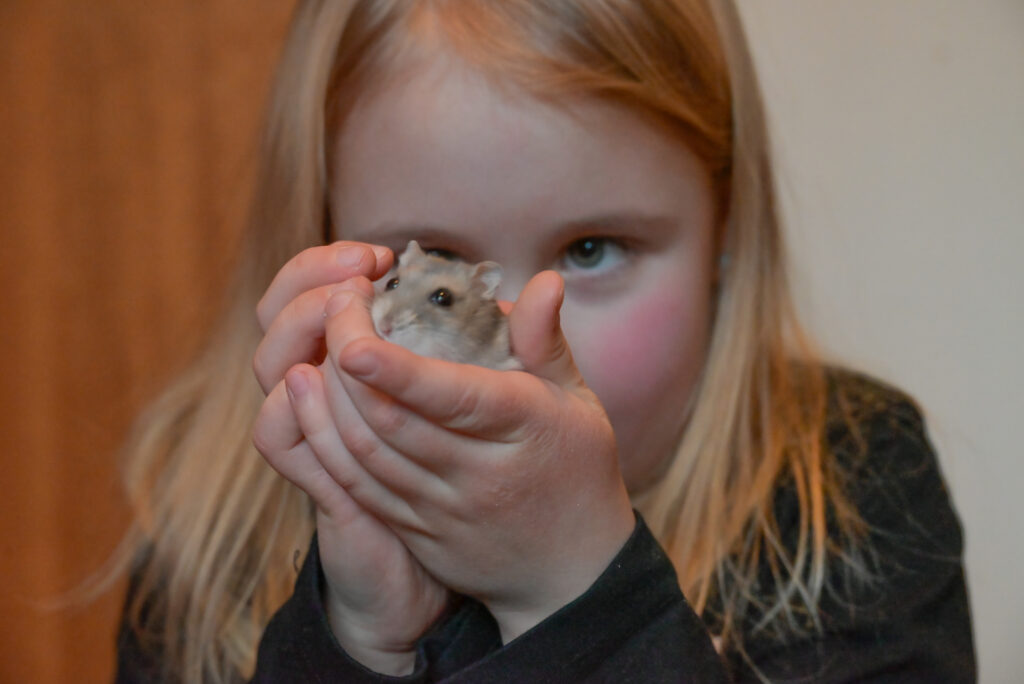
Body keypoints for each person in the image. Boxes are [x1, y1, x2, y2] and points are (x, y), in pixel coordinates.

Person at [108, 1, 976, 682]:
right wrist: (358, 642)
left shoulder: (852, 486)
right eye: (441, 258)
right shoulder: (206, 536)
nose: (523, 340)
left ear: (725, 238)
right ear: (321, 242)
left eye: (591, 250)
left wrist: (576, 597)